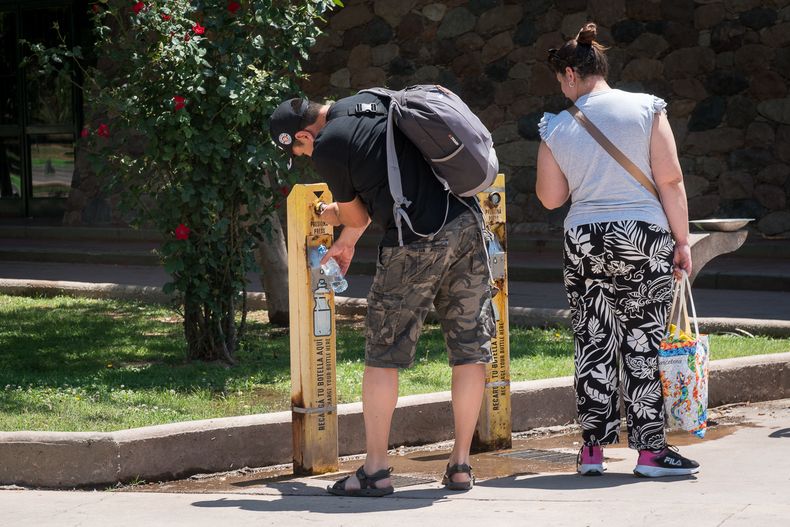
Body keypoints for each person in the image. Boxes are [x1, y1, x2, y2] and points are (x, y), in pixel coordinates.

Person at [269, 91, 495, 495]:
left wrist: (333, 217)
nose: (305, 159)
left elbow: (358, 213)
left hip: (415, 241)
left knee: (382, 353)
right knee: (469, 348)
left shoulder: (330, 146)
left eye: (299, 151)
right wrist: (348, 240)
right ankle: (461, 464)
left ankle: (375, 470)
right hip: (467, 225)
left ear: (303, 135)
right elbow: (387, 175)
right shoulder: (372, 99)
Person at [536, 23, 700, 478]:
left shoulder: (555, 125)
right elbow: (670, 179)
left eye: (559, 81)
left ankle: (592, 451)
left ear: (570, 74)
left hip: (584, 238)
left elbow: (551, 198)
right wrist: (681, 241)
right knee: (642, 341)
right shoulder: (647, 109)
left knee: (594, 341)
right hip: (641, 236)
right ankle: (650, 452)